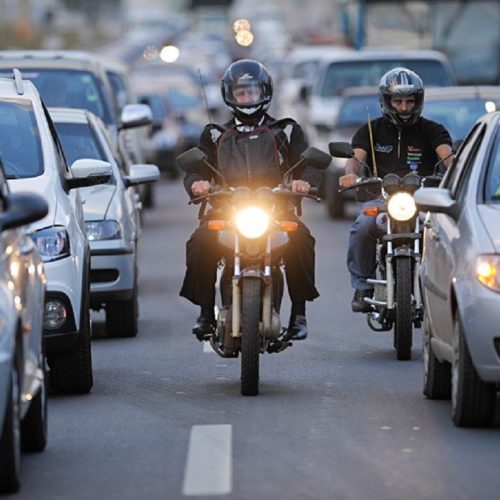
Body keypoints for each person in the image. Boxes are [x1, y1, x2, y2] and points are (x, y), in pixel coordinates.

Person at [179, 59, 323, 341]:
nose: (247, 98)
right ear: (230, 95)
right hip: (226, 208)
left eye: (252, 92)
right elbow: (196, 167)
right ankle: (206, 312)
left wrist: (305, 181)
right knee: (200, 242)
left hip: (277, 209)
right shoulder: (214, 134)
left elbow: (307, 163)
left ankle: (299, 313)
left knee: (302, 240)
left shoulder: (287, 130)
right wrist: (197, 183)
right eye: (241, 93)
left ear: (264, 92)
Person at [339, 67, 453, 313]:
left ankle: (443, 288)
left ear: (418, 102)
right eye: (398, 101)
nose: (404, 107)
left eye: (410, 101)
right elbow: (356, 159)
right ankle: (362, 285)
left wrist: (456, 172)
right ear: (386, 101)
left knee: (440, 234)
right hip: (381, 198)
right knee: (363, 226)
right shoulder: (370, 130)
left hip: (422, 199)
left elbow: (447, 158)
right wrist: (350, 175)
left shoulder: (433, 130)